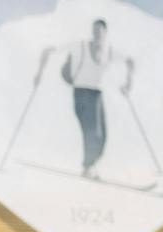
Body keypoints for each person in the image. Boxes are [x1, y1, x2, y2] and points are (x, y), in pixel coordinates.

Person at [48, 18, 136, 179]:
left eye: (99, 30)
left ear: (105, 32)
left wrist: (128, 83)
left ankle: (90, 166)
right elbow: (51, 50)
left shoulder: (108, 51)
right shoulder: (80, 46)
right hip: (81, 93)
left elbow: (130, 61)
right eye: (94, 30)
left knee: (102, 136)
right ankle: (87, 167)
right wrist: (39, 73)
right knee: (92, 133)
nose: (96, 33)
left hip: (96, 95)